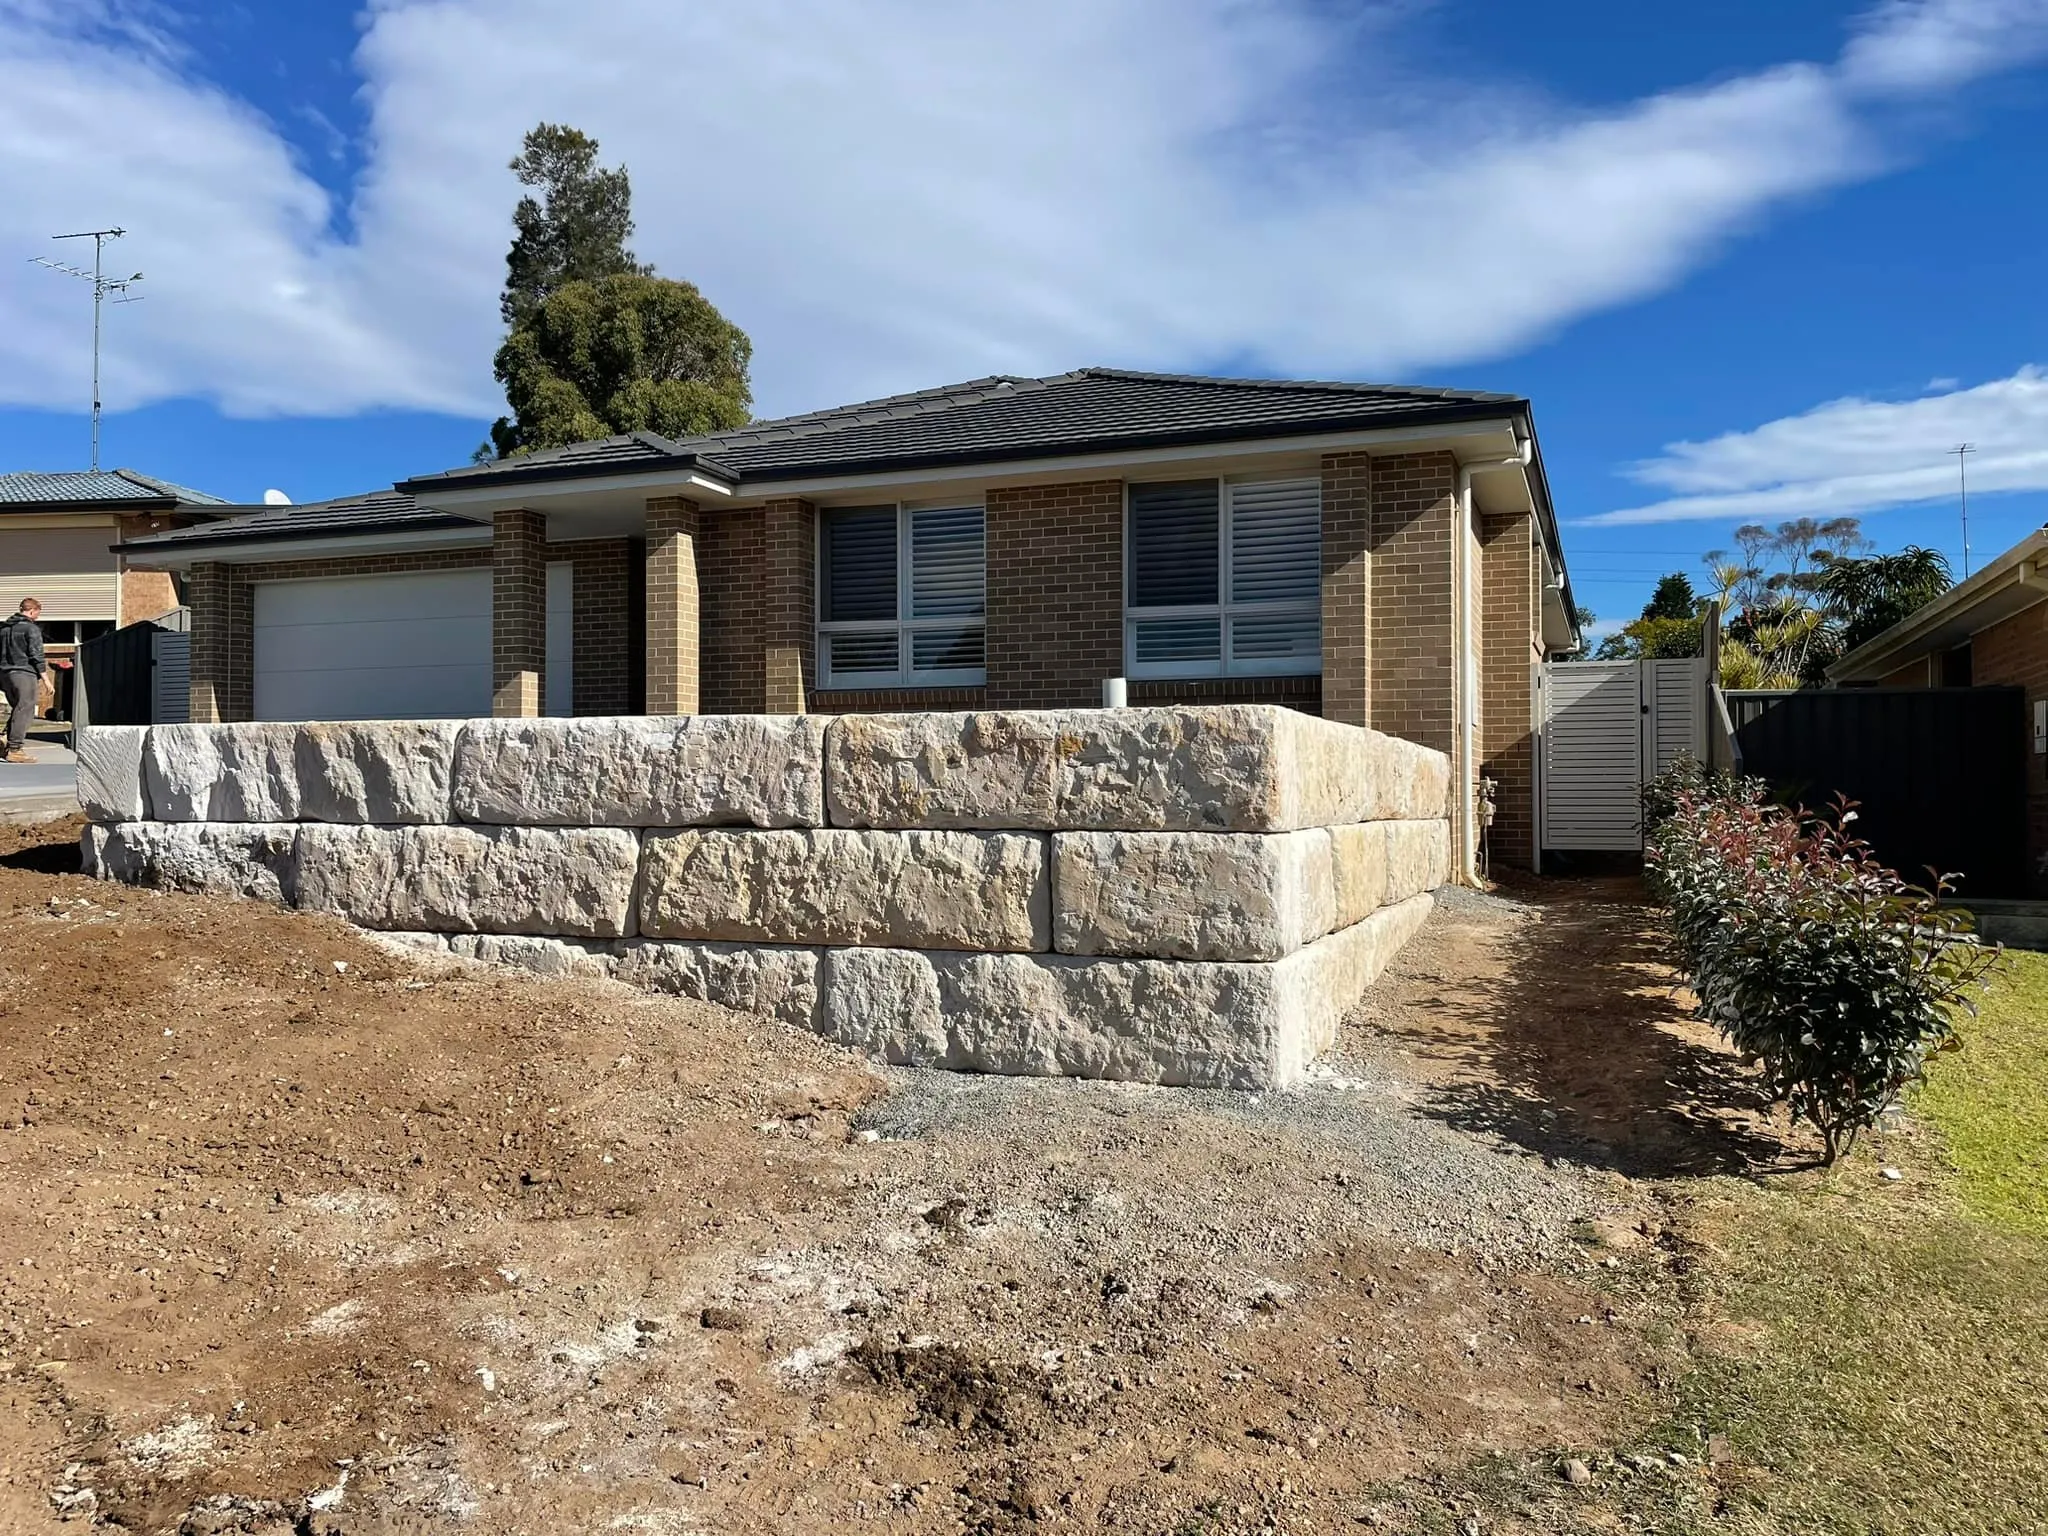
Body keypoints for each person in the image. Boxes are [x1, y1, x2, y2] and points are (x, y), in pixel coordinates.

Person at [0, 598, 47, 764]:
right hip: (24, 673)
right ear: (33, 611)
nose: (37, 618)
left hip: (5, 675)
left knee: (18, 708)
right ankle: (15, 749)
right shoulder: (31, 628)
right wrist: (46, 680)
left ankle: (4, 739)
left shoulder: (4, 629)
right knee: (26, 708)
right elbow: (36, 655)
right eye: (37, 614)